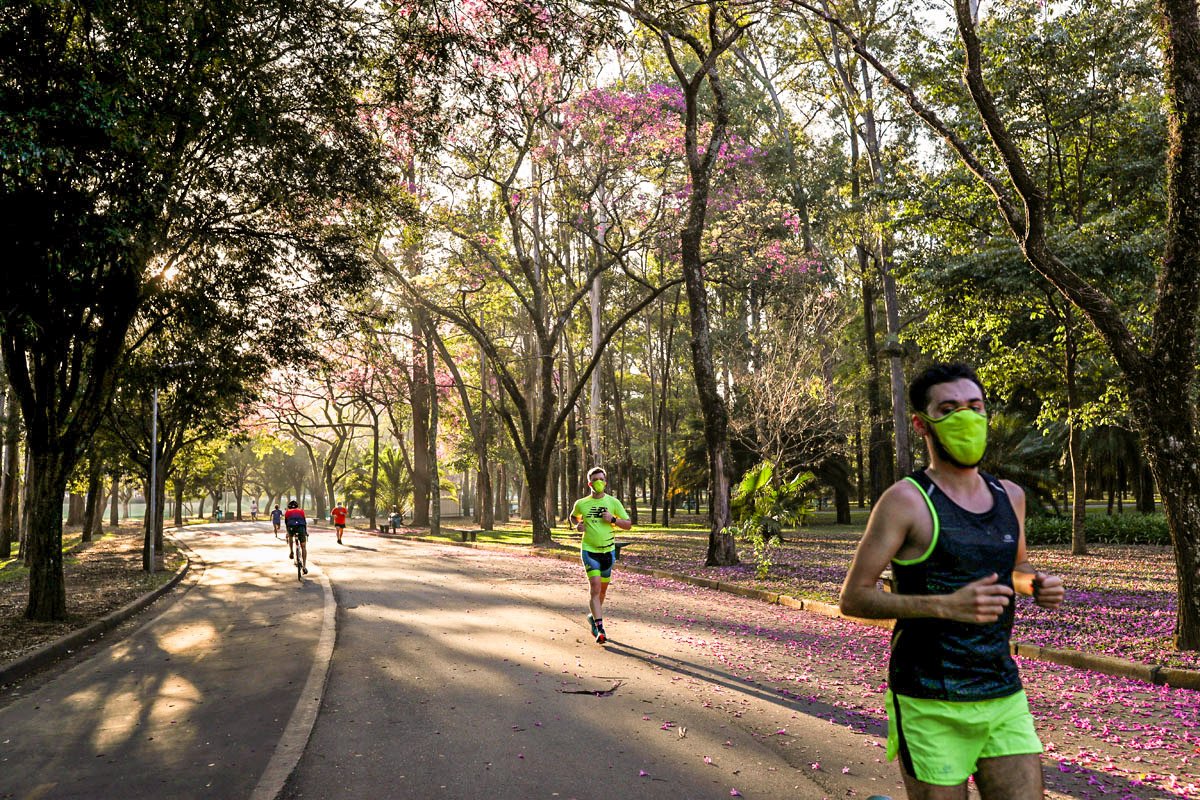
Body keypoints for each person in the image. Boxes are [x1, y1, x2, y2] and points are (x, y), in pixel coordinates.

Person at [839, 363, 1065, 800]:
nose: (966, 416)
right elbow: (854, 597)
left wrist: (1035, 584)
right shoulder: (906, 500)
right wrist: (945, 604)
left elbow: (1015, 568)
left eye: (974, 406)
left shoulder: (1010, 496)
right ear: (923, 424)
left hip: (1002, 690)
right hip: (929, 698)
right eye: (949, 408)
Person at [570, 466, 631, 644]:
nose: (599, 482)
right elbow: (574, 517)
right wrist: (578, 525)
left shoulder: (613, 502)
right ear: (590, 483)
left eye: (602, 479)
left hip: (608, 552)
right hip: (589, 551)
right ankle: (600, 628)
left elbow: (628, 524)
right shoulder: (581, 503)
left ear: (605, 481)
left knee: (601, 593)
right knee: (595, 587)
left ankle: (593, 617)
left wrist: (612, 519)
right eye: (596, 479)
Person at [284, 500, 308, 573]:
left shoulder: (287, 512)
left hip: (291, 527)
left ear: (289, 507)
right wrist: (305, 532)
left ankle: (291, 551)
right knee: (303, 546)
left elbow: (286, 523)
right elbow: (304, 522)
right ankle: (304, 566)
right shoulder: (301, 511)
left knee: (291, 537)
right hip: (301, 527)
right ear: (297, 506)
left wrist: (287, 533)